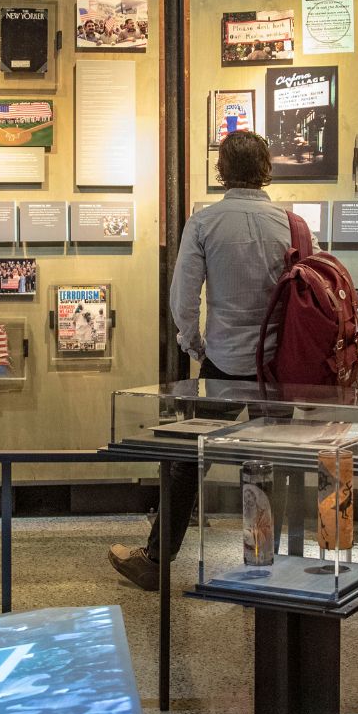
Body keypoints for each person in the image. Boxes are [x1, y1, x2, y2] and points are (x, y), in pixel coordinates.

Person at [109, 131, 290, 590]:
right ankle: (262, 562)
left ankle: (156, 561)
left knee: (187, 461)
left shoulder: (205, 222)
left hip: (223, 362)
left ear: (222, 171)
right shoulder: (290, 224)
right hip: (274, 367)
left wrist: (195, 347)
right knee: (267, 463)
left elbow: (183, 299)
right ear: (266, 168)